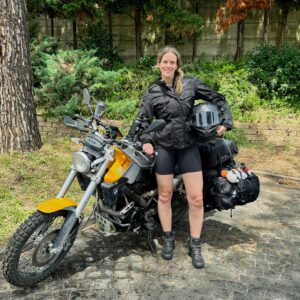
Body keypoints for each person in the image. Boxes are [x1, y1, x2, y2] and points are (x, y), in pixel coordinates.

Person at [135, 46, 233, 268]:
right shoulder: (153, 92)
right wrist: (145, 140)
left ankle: (195, 243)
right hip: (165, 148)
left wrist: (225, 122)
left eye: (172, 62)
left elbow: (218, 98)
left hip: (188, 146)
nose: (169, 66)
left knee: (196, 198)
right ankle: (168, 238)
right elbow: (142, 119)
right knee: (165, 195)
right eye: (165, 62)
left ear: (177, 65)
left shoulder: (190, 84)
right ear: (158, 64)